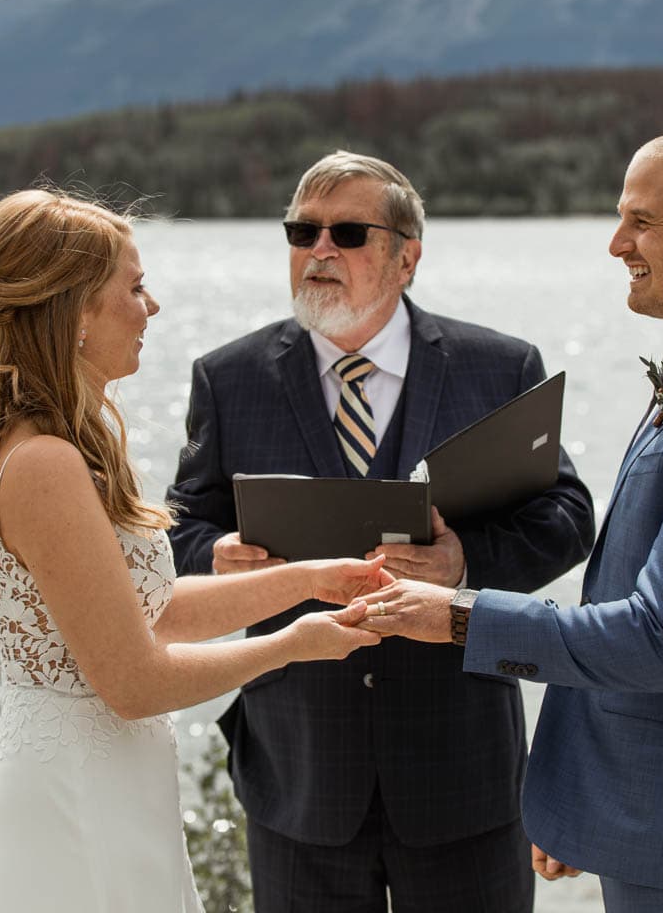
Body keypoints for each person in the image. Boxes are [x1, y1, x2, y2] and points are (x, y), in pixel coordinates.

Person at [357, 130, 663, 913]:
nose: (617, 243)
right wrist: (576, 786)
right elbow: (623, 584)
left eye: (642, 222)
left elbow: (661, 642)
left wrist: (455, 617)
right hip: (646, 810)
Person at [166, 151, 596, 913]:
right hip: (299, 768)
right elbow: (180, 530)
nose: (319, 250)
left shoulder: (497, 368)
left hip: (462, 769)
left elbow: (566, 517)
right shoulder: (227, 380)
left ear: (407, 258)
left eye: (348, 233)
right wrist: (219, 557)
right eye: (303, 232)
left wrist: (465, 559)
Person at [0, 189, 392, 913]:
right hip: (73, 805)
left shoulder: (65, 446)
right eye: (135, 286)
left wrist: (311, 579)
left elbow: (147, 612)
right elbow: (134, 681)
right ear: (76, 311)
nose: (151, 307)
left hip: (108, 787)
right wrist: (291, 646)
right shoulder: (45, 463)